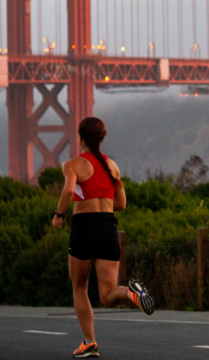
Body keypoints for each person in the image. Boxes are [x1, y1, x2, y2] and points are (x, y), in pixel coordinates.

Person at [52, 116, 156, 358]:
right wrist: (103, 205)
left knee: (79, 287)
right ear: (101, 137)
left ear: (80, 138)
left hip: (84, 229)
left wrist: (58, 214)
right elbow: (122, 203)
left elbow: (68, 190)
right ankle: (133, 293)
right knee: (108, 295)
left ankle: (89, 342)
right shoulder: (112, 166)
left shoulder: (72, 164)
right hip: (108, 228)